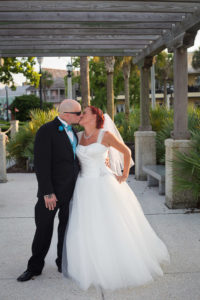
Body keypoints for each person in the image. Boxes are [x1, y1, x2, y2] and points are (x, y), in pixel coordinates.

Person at [62, 106, 170, 291]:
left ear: (95, 117)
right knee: (87, 225)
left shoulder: (105, 135)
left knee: (112, 223)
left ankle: (116, 262)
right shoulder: (78, 136)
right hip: (84, 185)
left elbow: (127, 152)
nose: (81, 115)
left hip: (104, 183)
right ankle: (89, 262)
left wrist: (124, 175)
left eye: (85, 112)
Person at [17, 99, 81, 282]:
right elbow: (41, 165)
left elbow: (74, 159)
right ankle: (34, 267)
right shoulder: (46, 130)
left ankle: (62, 263)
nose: (80, 115)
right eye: (78, 113)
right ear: (66, 114)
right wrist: (47, 192)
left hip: (72, 191)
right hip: (51, 193)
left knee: (66, 229)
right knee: (44, 230)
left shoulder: (74, 131)